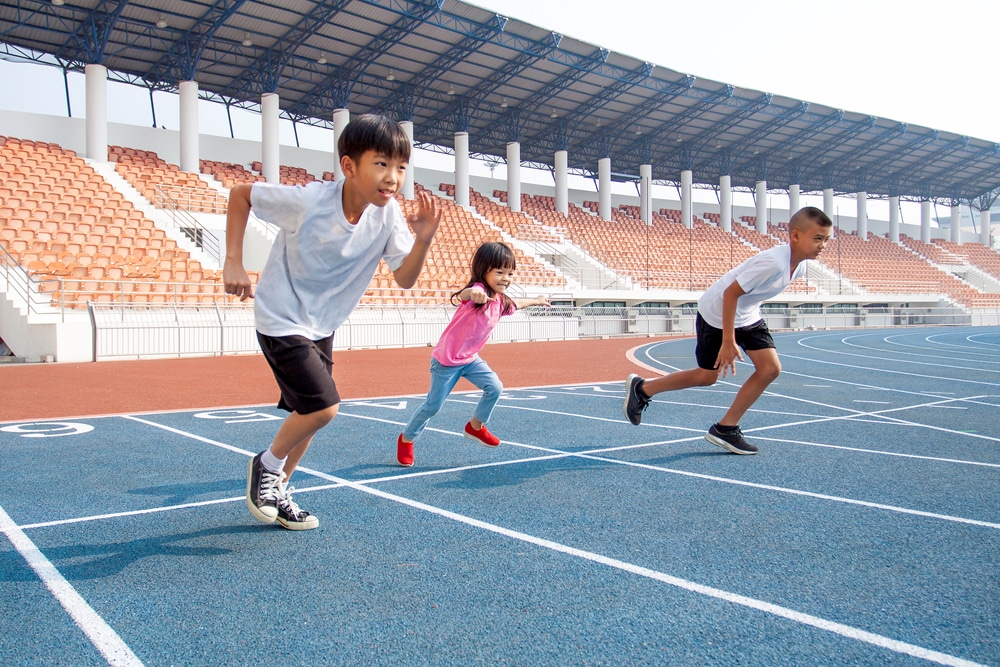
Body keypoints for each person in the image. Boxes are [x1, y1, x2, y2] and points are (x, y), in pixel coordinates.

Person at [224, 113, 441, 529]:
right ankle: (266, 466)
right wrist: (233, 262)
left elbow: (405, 279)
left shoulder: (389, 215)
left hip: (321, 325)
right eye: (381, 164)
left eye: (400, 167)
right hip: (280, 315)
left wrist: (424, 240)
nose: (392, 177)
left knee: (307, 416)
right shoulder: (309, 201)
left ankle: (279, 490)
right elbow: (240, 194)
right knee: (323, 407)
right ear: (349, 166)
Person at [623, 206, 833, 454]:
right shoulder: (774, 263)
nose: (822, 245)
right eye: (817, 238)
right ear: (796, 236)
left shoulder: (800, 264)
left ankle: (726, 428)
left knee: (770, 369)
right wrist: (727, 340)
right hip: (716, 313)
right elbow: (730, 293)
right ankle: (642, 388)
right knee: (706, 377)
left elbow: (748, 295)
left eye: (826, 240)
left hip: (748, 315)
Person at [396, 241, 549, 467]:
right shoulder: (476, 296)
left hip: (470, 360)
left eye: (510, 273)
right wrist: (475, 292)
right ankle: (406, 438)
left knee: (495, 387)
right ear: (483, 269)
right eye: (499, 272)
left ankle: (475, 426)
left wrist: (536, 300)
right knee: (433, 406)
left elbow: (517, 303)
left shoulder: (501, 302)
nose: (506, 278)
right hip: (446, 362)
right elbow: (467, 294)